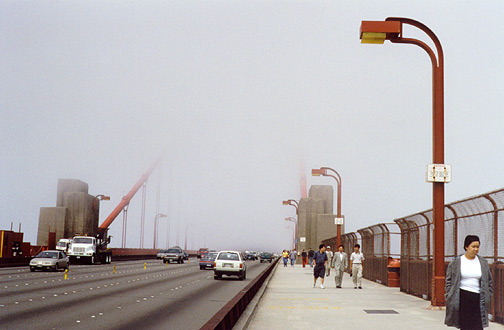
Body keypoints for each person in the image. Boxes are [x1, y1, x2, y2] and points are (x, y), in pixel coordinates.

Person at [445, 235, 493, 330]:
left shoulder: (483, 262)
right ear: (466, 247)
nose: (476, 249)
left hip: (479, 298)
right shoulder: (456, 262)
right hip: (462, 297)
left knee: (478, 326)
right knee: (465, 325)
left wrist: (488, 295)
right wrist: (449, 295)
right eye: (473, 246)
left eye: (478, 246)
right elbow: (449, 280)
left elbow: (489, 281)